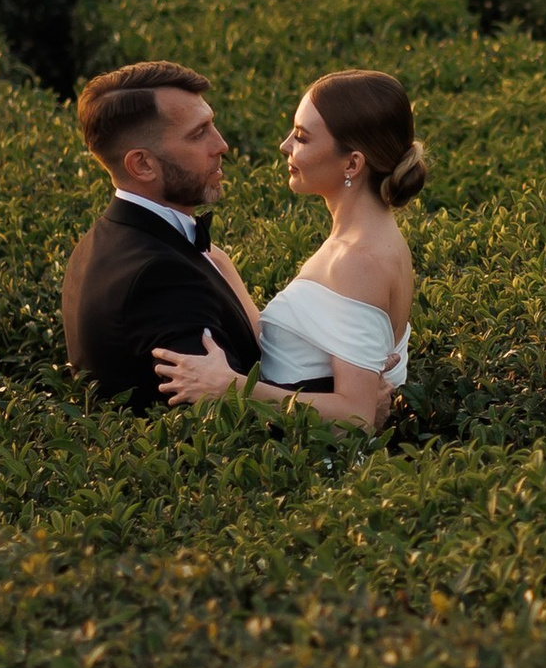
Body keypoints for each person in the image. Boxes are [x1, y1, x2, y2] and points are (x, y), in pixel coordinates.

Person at [154, 67, 426, 433]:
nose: (285, 145)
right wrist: (224, 267)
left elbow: (358, 415)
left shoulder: (357, 260)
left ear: (353, 163)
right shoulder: (371, 237)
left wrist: (228, 386)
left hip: (322, 474)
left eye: (302, 137)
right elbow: (300, 355)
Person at [60, 62, 261, 412]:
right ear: (142, 165)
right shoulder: (158, 278)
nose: (222, 145)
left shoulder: (98, 242)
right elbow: (228, 424)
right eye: (198, 134)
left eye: (212, 124)